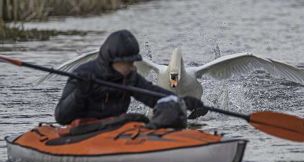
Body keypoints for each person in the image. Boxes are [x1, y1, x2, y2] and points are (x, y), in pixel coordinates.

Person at [55, 30, 206, 125]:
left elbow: (153, 95)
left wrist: (182, 102)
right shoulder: (83, 76)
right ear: (114, 61)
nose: (133, 67)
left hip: (114, 129)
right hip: (84, 132)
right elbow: (61, 117)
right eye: (129, 63)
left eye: (134, 62)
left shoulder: (130, 78)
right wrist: (80, 93)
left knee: (149, 119)